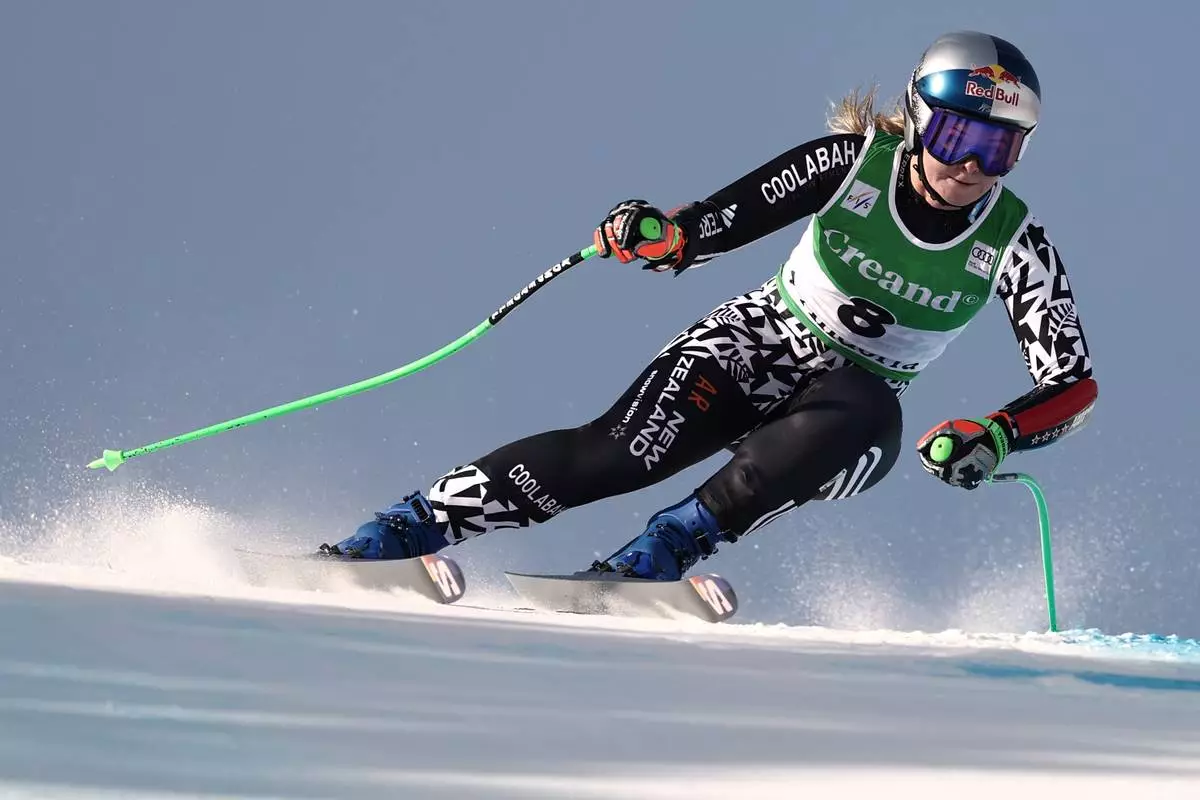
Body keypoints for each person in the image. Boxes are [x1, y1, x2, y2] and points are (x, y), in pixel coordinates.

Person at [322, 30, 1098, 580]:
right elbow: (719, 221)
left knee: (868, 409)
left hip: (844, 426)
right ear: (921, 118)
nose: (969, 164)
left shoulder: (1015, 241)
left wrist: (996, 435)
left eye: (997, 147)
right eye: (959, 134)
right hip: (755, 343)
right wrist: (661, 235)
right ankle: (408, 526)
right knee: (619, 455)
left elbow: (1073, 386)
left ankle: (665, 550)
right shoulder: (852, 164)